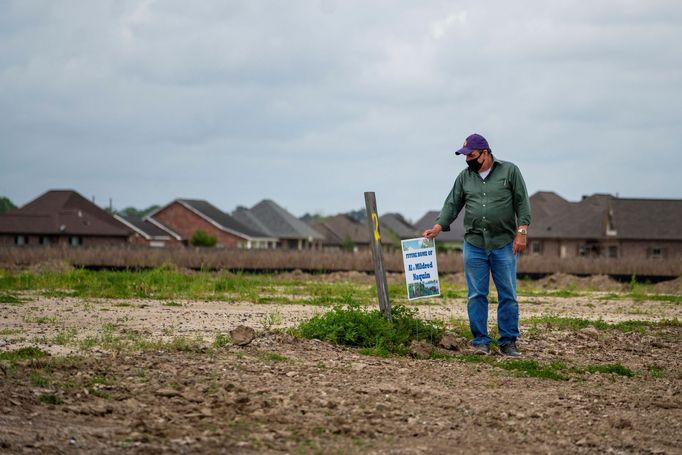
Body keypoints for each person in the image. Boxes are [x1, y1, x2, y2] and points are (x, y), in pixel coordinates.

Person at [423, 133, 530, 356]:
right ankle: (480, 340)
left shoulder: (509, 171)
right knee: (476, 295)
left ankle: (508, 342)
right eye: (465, 156)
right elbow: (452, 204)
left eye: (471, 155)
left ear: (485, 153)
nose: (467, 160)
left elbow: (522, 203)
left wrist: (522, 232)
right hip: (474, 244)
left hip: (503, 243)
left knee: (508, 294)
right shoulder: (464, 178)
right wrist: (438, 226)